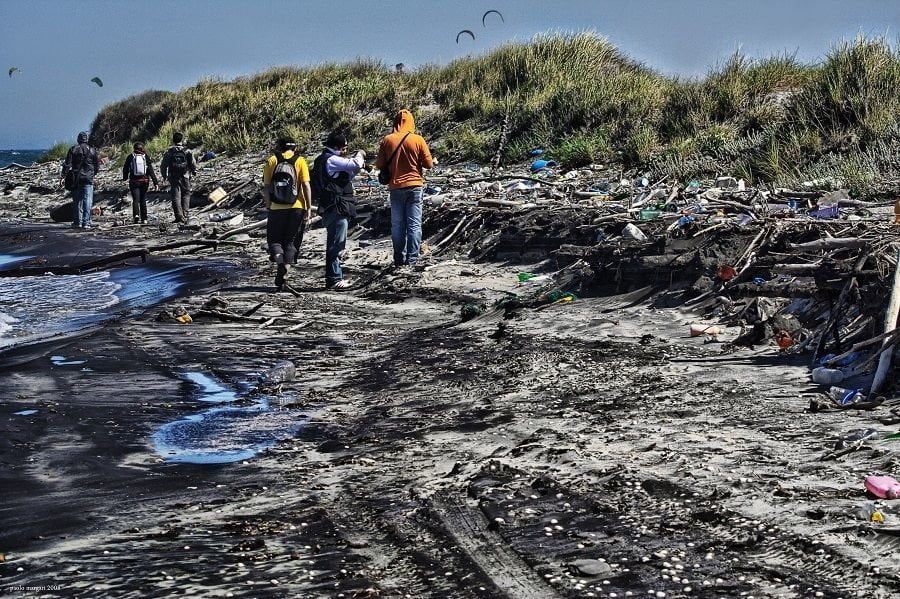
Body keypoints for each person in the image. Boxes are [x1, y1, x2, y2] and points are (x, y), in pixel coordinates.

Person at [375, 109, 433, 267]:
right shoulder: (418, 139)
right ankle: (412, 260)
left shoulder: (388, 140)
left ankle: (398, 260)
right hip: (415, 186)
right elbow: (429, 164)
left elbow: (379, 164)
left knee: (398, 226)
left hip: (396, 187)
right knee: (414, 225)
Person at [311, 131, 365, 290]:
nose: (345, 151)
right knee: (336, 244)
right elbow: (354, 165)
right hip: (337, 207)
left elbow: (348, 173)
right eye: (344, 148)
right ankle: (335, 279)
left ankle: (334, 277)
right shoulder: (332, 159)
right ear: (336, 147)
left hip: (330, 206)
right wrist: (360, 154)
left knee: (334, 243)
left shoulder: (322, 160)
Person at [262, 136, 312, 291]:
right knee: (291, 242)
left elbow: (266, 186)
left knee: (274, 241)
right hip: (297, 206)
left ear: (279, 147)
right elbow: (305, 185)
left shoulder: (272, 160)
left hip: (277, 207)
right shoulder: (300, 161)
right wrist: (309, 207)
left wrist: (268, 204)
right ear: (295, 148)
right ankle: (285, 271)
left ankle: (280, 263)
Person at [61, 131, 100, 229]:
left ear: (78, 139)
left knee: (77, 201)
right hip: (88, 178)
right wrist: (92, 174)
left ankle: (77, 222)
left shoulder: (73, 149)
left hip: (76, 178)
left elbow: (67, 164)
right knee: (88, 201)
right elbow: (96, 165)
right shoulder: (92, 150)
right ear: (86, 139)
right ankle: (86, 222)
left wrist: (63, 176)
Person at [160, 131, 196, 224]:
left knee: (176, 196)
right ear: (182, 140)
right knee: (186, 194)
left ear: (173, 140)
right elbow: (192, 163)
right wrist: (194, 171)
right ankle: (185, 214)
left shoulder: (169, 152)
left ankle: (179, 216)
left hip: (173, 176)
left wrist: (164, 175)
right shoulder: (187, 151)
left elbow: (163, 165)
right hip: (185, 175)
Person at [121, 142, 159, 224]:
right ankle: (144, 219)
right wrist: (155, 183)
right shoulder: (145, 157)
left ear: (134, 149)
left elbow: (125, 168)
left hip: (134, 182)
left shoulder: (131, 157)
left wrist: (125, 178)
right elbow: (151, 170)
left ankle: (136, 215)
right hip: (144, 181)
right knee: (143, 199)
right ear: (142, 148)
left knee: (135, 199)